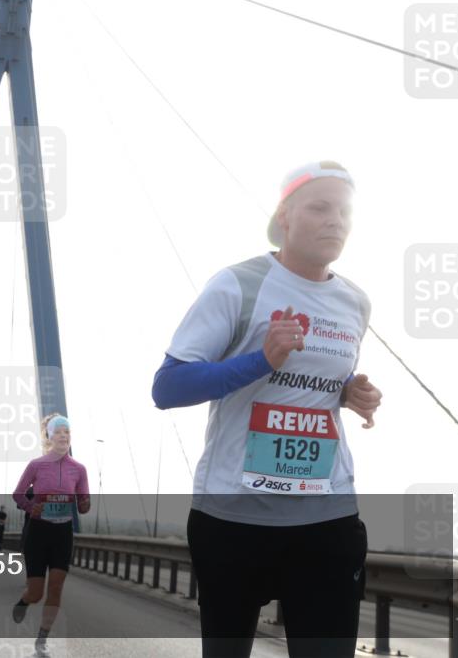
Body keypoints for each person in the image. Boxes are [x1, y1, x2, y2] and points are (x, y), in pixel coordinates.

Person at [152, 161, 382, 658]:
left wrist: (348, 391)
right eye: (319, 207)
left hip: (327, 515)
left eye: (344, 211)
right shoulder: (238, 285)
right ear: (284, 215)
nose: (335, 220)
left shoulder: (356, 302)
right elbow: (167, 387)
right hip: (233, 517)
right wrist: (261, 360)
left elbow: (315, 383)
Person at [11, 414, 90, 658]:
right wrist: (30, 507)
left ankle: (42, 639)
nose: (63, 436)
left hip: (62, 533)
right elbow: (18, 494)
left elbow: (84, 504)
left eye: (67, 432)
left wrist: (84, 503)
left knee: (55, 588)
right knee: (36, 593)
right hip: (38, 532)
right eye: (59, 432)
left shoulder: (79, 469)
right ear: (50, 436)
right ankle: (24, 601)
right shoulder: (36, 465)